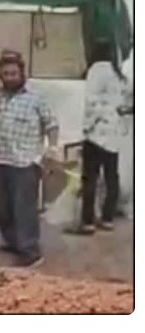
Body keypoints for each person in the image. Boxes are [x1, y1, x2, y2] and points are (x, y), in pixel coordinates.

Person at [0, 52, 58, 268]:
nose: (10, 77)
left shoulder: (35, 98)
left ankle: (30, 251)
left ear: (22, 74)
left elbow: (51, 124)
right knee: (3, 209)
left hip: (26, 163)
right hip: (1, 161)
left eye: (13, 73)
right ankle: (13, 242)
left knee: (24, 209)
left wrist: (52, 148)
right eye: (5, 74)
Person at [78, 42, 131, 233]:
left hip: (96, 133)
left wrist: (86, 127)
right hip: (114, 134)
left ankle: (88, 221)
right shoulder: (119, 74)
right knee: (111, 177)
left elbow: (92, 103)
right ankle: (107, 217)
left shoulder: (96, 70)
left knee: (90, 178)